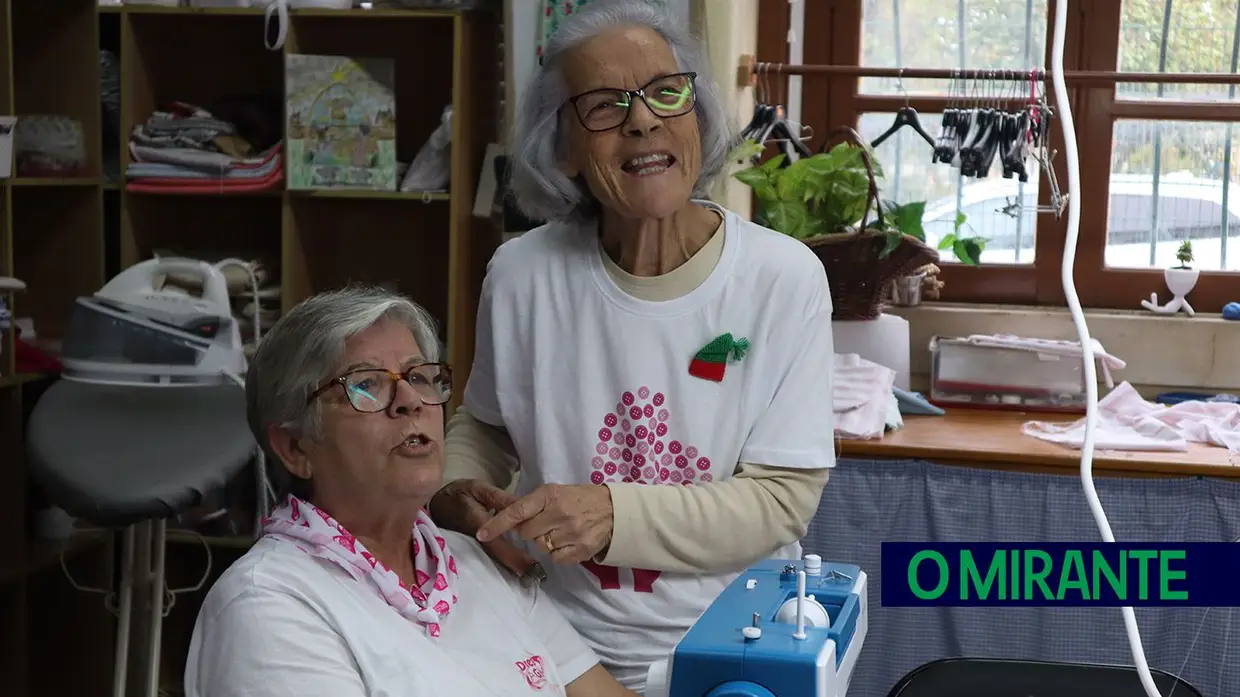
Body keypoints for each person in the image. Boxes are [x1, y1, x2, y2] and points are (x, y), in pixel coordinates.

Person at [431, 0, 837, 692]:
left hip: (736, 643)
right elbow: (488, 427)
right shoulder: (521, 274)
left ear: (698, 115)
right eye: (605, 104)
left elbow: (780, 500)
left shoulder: (782, 277)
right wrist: (454, 491)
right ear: (561, 146)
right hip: (553, 639)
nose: (642, 117)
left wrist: (612, 513)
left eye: (664, 92)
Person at [183, 286, 637, 697]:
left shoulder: (478, 559)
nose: (410, 401)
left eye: (419, 376)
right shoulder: (268, 605)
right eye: (365, 384)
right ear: (295, 446)